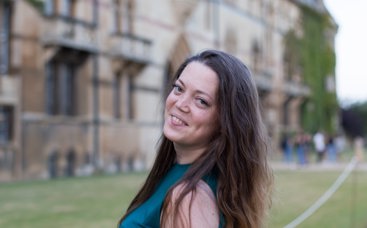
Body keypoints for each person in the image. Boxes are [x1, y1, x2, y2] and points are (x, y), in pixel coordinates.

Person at [118, 50, 273, 228]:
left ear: (225, 122)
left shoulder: (189, 197)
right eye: (179, 88)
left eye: (201, 101)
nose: (180, 104)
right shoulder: (179, 174)